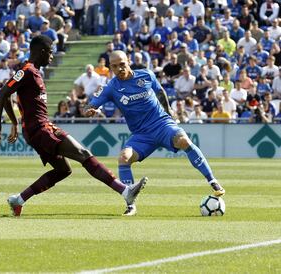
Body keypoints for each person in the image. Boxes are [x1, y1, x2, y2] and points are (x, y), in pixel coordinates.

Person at [0, 35, 146, 217]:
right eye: (52, 52)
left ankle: (18, 200)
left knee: (64, 170)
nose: (53, 56)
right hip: (39, 129)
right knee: (83, 154)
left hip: (39, 129)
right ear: (42, 51)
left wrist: (15, 123)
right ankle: (125, 192)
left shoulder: (34, 71)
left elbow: (6, 96)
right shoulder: (27, 71)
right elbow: (2, 94)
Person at [84, 50, 225, 216]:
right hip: (141, 135)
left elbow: (160, 92)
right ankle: (130, 204)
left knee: (184, 141)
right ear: (110, 68)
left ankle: (212, 181)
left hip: (162, 124)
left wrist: (169, 112)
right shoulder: (110, 88)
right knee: (123, 157)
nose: (120, 69)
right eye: (115, 66)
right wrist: (89, 110)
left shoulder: (146, 75)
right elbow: (91, 104)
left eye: (122, 64)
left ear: (128, 61)